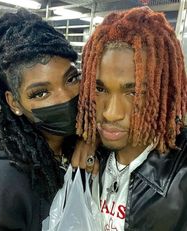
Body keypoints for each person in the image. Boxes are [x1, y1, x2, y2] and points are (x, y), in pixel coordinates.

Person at [0, 8, 88, 231]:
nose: (65, 97)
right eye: (40, 93)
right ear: (14, 103)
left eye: (72, 78)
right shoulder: (0, 185)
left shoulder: (71, 149)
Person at [76, 7, 187, 230]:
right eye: (99, 88)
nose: (111, 113)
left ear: (164, 91)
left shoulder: (181, 177)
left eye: (134, 92)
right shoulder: (83, 153)